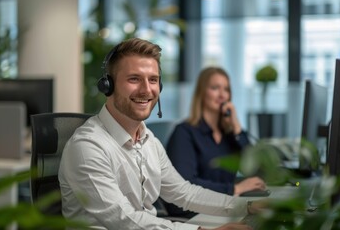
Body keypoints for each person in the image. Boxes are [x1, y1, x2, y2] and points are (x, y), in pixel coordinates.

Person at [58, 38, 263, 230]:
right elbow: (124, 219)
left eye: (153, 80)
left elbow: (184, 192)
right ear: (108, 86)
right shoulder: (87, 146)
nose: (146, 90)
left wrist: (245, 207)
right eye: (134, 79)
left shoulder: (149, 142)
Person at [165, 67, 266, 217]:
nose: (222, 95)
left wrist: (237, 128)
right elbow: (184, 186)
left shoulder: (229, 136)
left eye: (226, 89)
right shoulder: (184, 133)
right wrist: (233, 189)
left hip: (223, 211)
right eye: (215, 88)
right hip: (193, 215)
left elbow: (258, 170)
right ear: (202, 93)